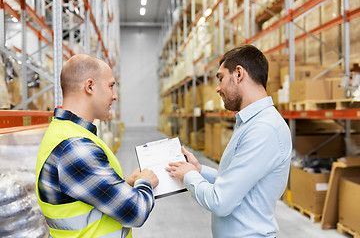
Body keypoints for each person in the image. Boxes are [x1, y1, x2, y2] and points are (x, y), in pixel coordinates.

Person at [166, 45, 292, 237]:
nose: (217, 88)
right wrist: (199, 170)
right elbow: (237, 184)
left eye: (220, 78)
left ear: (239, 74)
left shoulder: (264, 129)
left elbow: (220, 201)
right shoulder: (251, 122)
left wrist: (189, 176)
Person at [36, 54, 159, 238]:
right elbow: (135, 212)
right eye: (111, 86)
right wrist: (145, 182)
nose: (115, 96)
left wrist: (124, 184)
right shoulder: (74, 146)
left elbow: (85, 196)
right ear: (90, 86)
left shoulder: (68, 133)